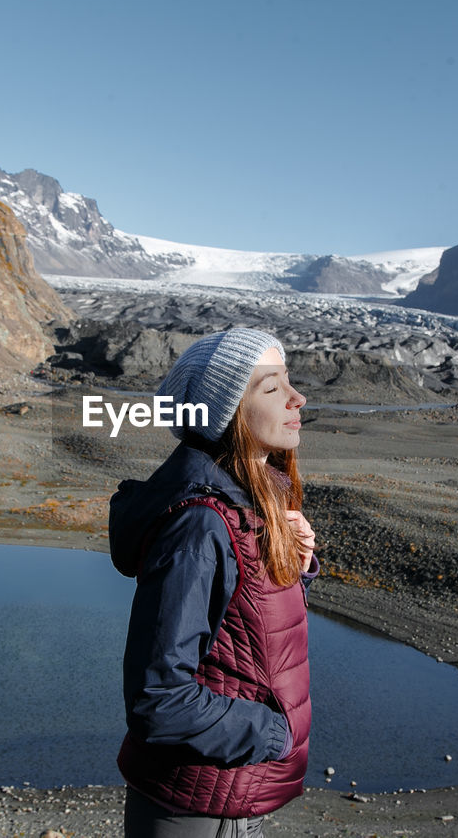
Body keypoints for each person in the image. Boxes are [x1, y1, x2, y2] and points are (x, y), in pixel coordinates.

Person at [109, 327, 318, 838]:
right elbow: (160, 699)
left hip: (229, 791)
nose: (298, 398)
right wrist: (275, 733)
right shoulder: (201, 523)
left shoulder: (251, 506)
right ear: (226, 416)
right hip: (198, 807)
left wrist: (297, 568)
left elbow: (245, 639)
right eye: (271, 389)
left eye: (288, 381)